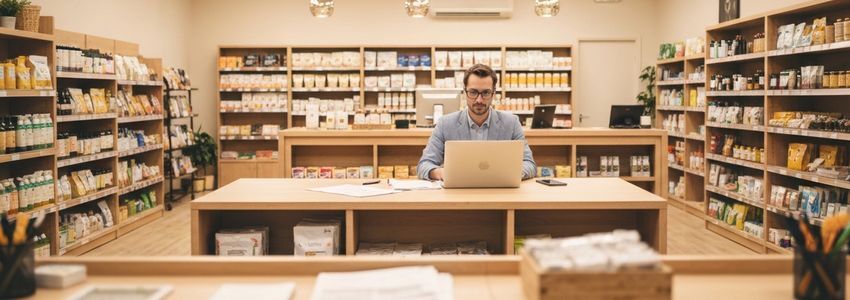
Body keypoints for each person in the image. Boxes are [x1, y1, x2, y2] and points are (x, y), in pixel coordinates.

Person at [417, 63, 536, 180]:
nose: (479, 100)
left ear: (493, 94)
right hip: (458, 194)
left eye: (486, 93)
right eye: (473, 92)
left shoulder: (511, 123)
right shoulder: (445, 124)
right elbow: (424, 165)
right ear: (464, 92)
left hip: (499, 192)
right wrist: (441, 173)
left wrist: (512, 173)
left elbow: (529, 164)